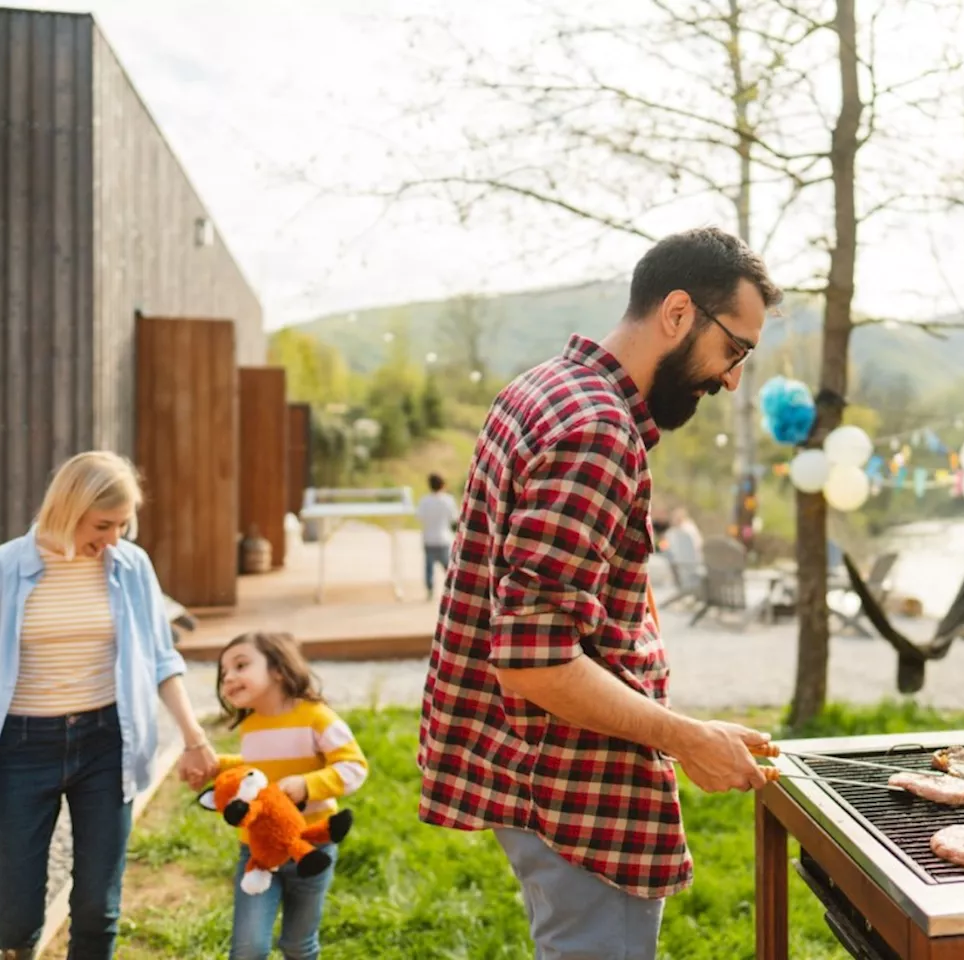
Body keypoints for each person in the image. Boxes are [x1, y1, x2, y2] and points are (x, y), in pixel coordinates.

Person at [418, 226, 783, 958]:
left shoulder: (540, 388)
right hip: (569, 783)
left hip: (530, 764)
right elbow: (533, 660)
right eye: (735, 350)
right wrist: (690, 741)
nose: (733, 378)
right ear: (678, 314)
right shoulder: (595, 431)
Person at [0, 451, 219, 960]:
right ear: (67, 508)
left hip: (106, 742)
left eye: (123, 523)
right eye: (103, 524)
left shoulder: (130, 567)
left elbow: (163, 658)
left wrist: (194, 738)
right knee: (12, 920)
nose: (114, 538)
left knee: (98, 907)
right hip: (20, 749)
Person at [211, 632, 368, 960]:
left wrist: (308, 786)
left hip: (311, 846)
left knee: (298, 945)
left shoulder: (317, 717)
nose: (229, 677)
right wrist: (216, 766)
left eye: (240, 665)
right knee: (248, 948)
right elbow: (258, 769)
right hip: (256, 851)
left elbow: (354, 766)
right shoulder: (251, 725)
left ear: (278, 669)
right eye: (224, 672)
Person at [415, 473, 458, 600]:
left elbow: (419, 517)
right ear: (443, 485)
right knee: (448, 567)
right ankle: (452, 590)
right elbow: (454, 518)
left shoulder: (424, 501)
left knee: (429, 568)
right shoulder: (448, 500)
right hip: (444, 539)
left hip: (429, 539)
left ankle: (429, 591)